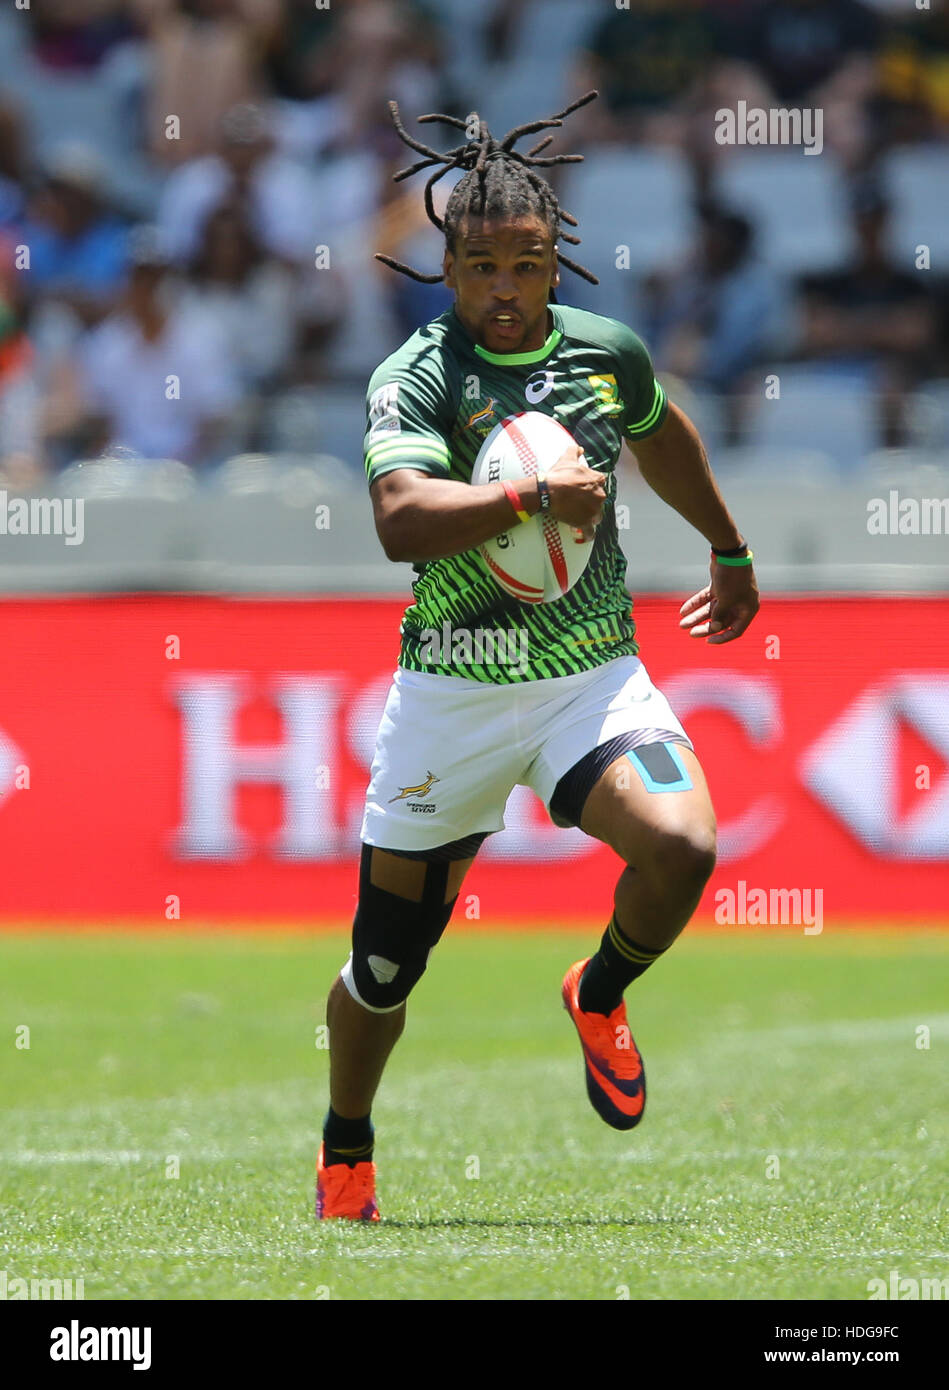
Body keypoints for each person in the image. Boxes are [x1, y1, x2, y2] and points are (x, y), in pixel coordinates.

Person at [317, 93, 759, 1221]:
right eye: (480, 267)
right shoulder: (417, 374)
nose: (505, 289)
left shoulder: (607, 354)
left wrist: (727, 545)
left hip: (589, 682)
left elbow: (664, 439)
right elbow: (400, 519)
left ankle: (597, 990)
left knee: (682, 844)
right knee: (382, 970)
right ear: (448, 269)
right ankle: (347, 1142)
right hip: (449, 697)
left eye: (526, 263)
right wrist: (526, 494)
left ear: (556, 257)